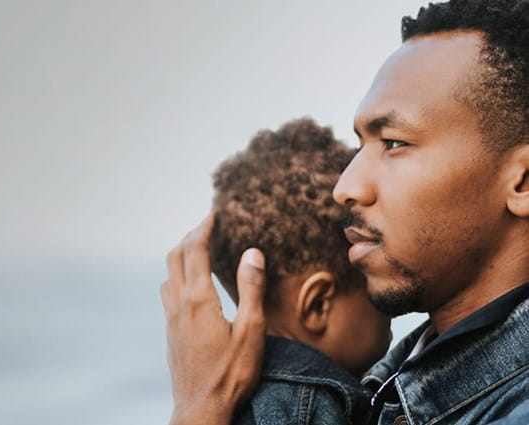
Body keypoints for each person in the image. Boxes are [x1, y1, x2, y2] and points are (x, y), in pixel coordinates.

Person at [161, 0, 529, 424]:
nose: (345, 188)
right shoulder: (387, 392)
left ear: (521, 182)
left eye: (393, 143)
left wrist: (202, 406)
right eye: (360, 146)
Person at [209, 118, 391, 424]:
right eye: (371, 275)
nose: (389, 307)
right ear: (318, 303)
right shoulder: (314, 405)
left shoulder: (234, 401)